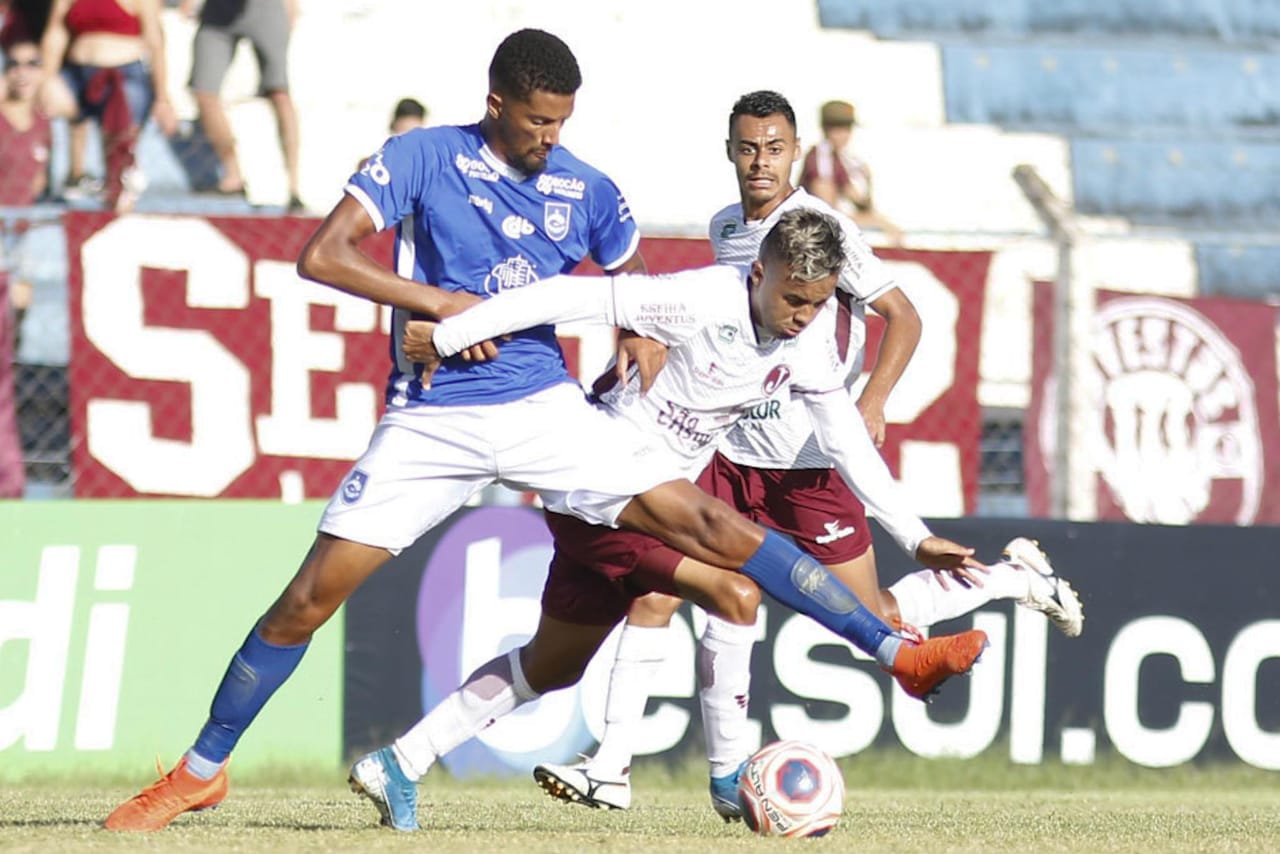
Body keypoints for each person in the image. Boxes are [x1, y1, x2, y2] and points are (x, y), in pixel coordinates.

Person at [100, 29, 980, 834]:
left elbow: (626, 285)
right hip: (432, 417)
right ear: (496, 106)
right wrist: (444, 312)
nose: (549, 137)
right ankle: (202, 769)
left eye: (562, 121)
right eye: (536, 121)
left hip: (544, 410)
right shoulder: (420, 157)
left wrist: (634, 346)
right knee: (310, 598)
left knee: (714, 541)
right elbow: (323, 255)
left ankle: (898, 654)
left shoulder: (586, 189)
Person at [532, 91, 1084, 819]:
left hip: (807, 461)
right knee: (667, 590)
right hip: (728, 453)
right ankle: (644, 768)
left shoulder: (826, 232)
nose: (761, 162)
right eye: (748, 148)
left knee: (870, 614)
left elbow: (904, 316)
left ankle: (1007, 577)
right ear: (731, 151)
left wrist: (874, 398)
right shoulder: (728, 227)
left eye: (775, 148)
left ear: (796, 152)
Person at [351, 207, 991, 832]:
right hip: (599, 484)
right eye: (795, 298)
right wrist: (444, 333)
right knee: (736, 585)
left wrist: (914, 535)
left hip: (650, 503)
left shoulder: (807, 345)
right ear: (759, 272)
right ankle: (819, 710)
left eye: (819, 303)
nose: (804, 316)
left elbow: (848, 441)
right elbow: (562, 296)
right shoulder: (700, 298)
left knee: (552, 665)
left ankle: (399, 762)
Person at [39, 0, 176, 211]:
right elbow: (56, 32)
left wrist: (162, 98)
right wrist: (47, 78)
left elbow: (155, 43)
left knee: (118, 142)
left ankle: (118, 195)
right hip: (78, 72)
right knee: (41, 103)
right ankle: (71, 176)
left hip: (123, 73)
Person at [186, 0, 301, 210]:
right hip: (218, 11)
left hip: (266, 8)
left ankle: (294, 186)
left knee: (279, 92)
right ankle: (233, 176)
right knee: (204, 91)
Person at [800, 99, 903, 246]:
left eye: (848, 129)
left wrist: (868, 184)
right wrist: (879, 223)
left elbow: (859, 200)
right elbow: (826, 215)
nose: (845, 135)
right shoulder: (821, 158)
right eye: (839, 129)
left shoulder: (841, 159)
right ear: (825, 129)